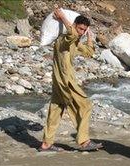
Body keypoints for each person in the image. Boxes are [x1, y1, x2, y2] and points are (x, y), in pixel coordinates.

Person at [38, 8, 103, 152]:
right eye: (80, 28)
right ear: (73, 25)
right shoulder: (63, 40)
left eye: (83, 30)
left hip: (59, 82)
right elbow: (72, 34)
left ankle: (46, 144)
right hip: (66, 81)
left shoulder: (74, 41)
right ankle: (84, 141)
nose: (81, 32)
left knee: (55, 110)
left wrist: (89, 37)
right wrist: (62, 18)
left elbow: (88, 52)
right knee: (85, 106)